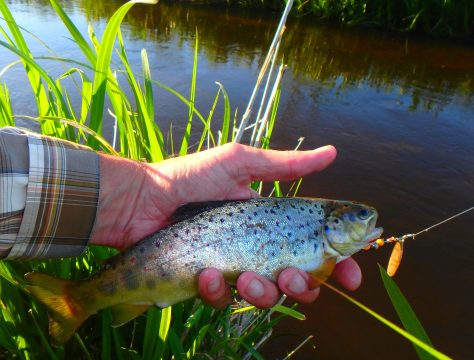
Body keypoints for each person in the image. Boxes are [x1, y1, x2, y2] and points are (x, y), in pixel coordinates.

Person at [0, 126, 362, 309]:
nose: (368, 222)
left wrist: (135, 191)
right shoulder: (319, 233)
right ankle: (80, 299)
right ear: (334, 222)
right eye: (361, 217)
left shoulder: (321, 237)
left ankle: (83, 298)